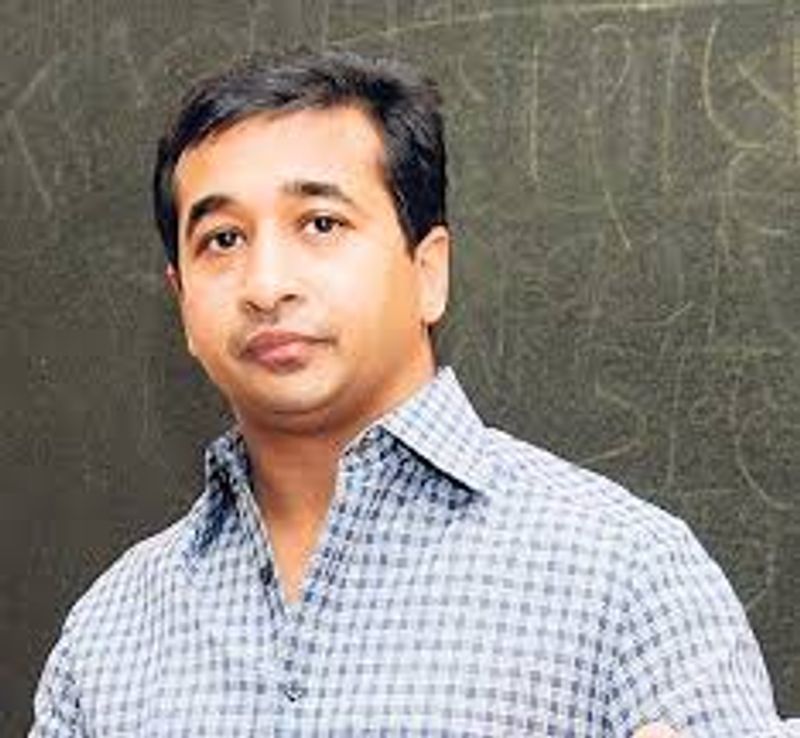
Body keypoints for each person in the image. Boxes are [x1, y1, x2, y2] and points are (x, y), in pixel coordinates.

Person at [29, 49, 795, 737]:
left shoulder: (627, 579)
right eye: (222, 240)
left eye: (320, 223)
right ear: (183, 303)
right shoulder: (108, 638)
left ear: (429, 271)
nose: (266, 284)